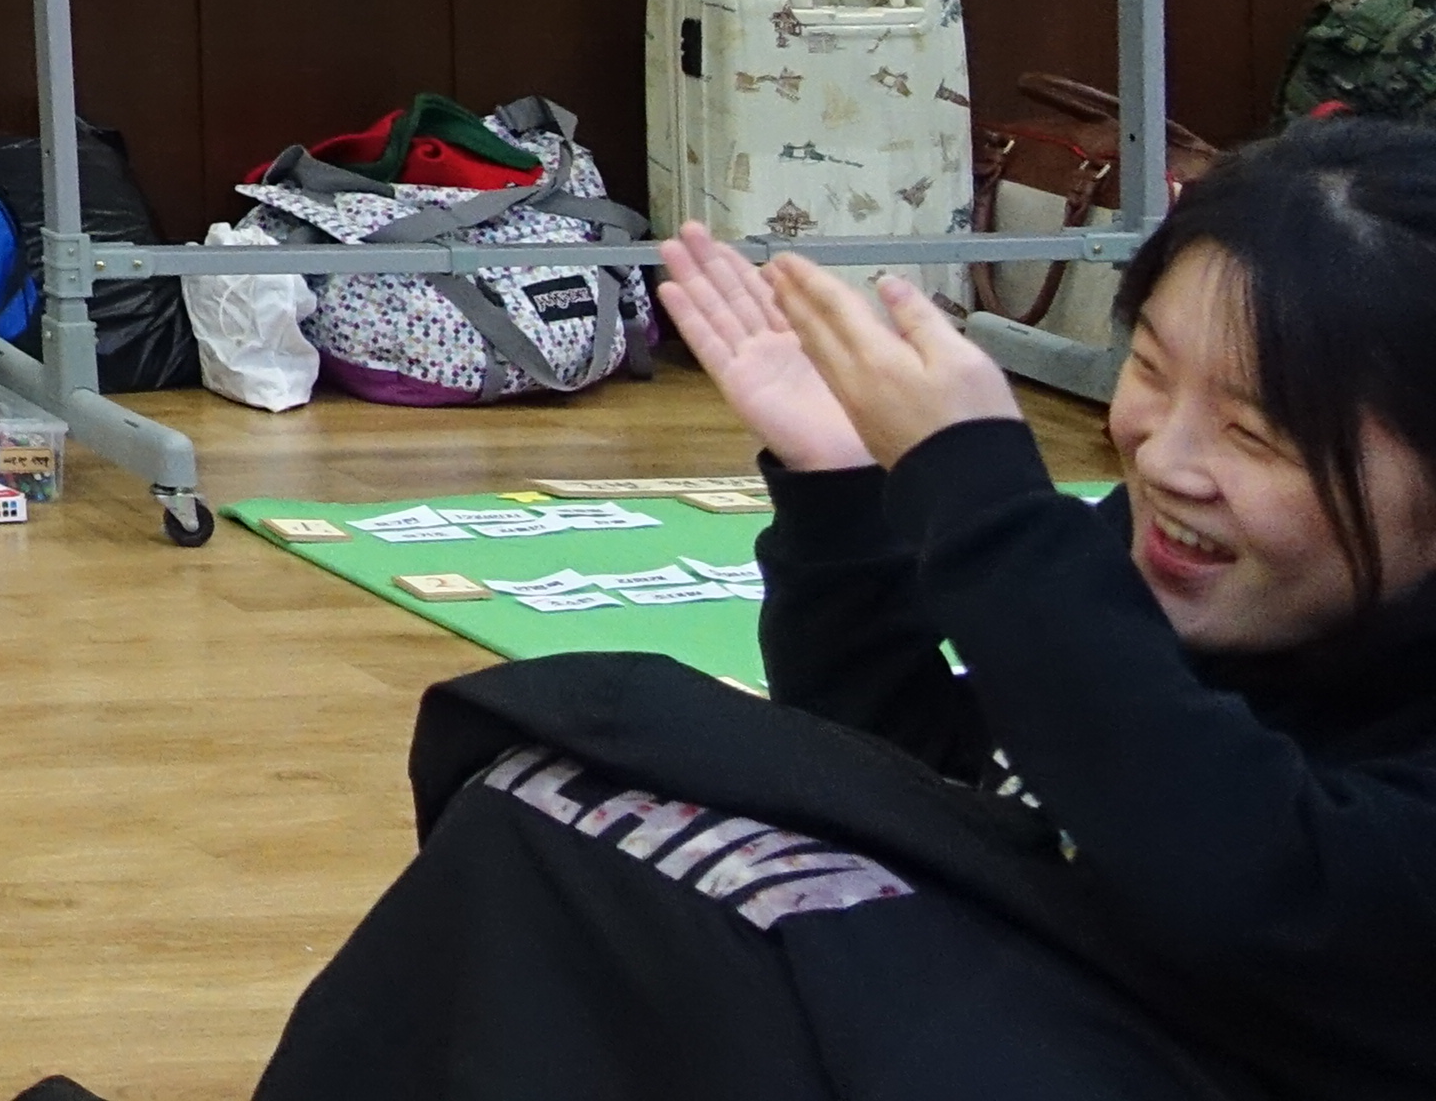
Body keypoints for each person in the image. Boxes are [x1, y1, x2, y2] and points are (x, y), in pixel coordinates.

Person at [251, 114, 1436, 1100]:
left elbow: (1246, 874)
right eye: (1153, 372)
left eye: (1255, 433)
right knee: (567, 808)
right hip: (1078, 1015)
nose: (1165, 457)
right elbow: (929, 788)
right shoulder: (1162, 561)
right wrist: (840, 492)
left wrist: (983, 501)